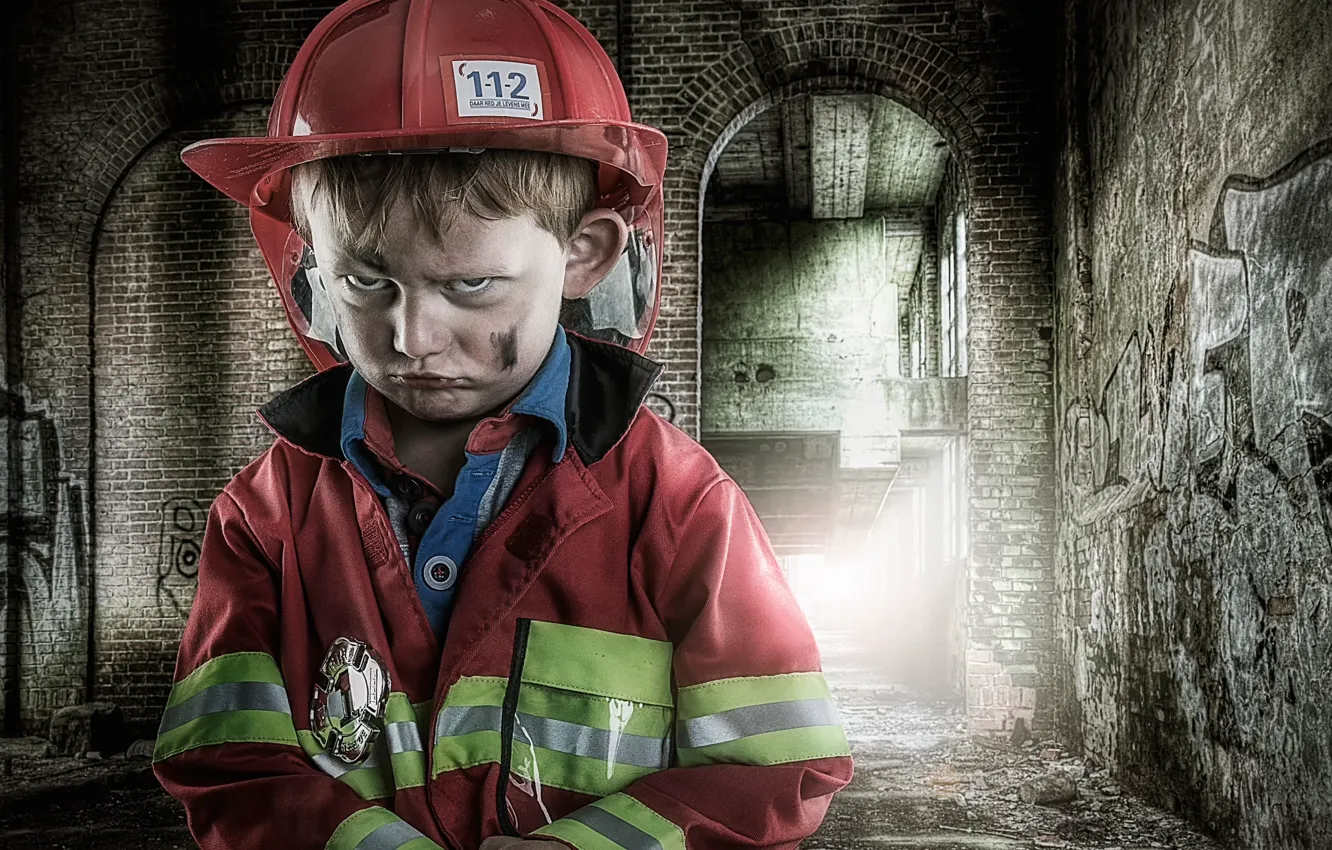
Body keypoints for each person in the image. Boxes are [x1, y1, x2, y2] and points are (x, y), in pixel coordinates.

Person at [150, 0, 853, 848]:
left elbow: (780, 765)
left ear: (586, 254)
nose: (411, 337)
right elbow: (227, 761)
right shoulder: (263, 520)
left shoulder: (680, 505)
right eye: (366, 284)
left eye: (470, 286)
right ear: (311, 267)